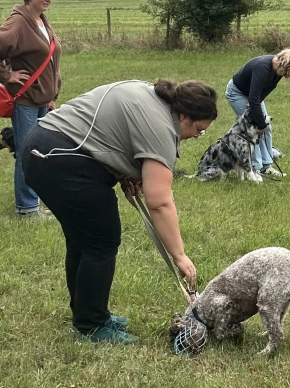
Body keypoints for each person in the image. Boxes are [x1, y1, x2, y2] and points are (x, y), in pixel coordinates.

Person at [22, 78, 218, 345]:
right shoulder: (161, 128)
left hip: (40, 146)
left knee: (83, 240)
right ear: (184, 115)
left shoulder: (149, 93)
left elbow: (112, 133)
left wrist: (124, 169)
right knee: (101, 241)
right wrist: (180, 256)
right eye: (198, 129)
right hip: (60, 158)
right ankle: (92, 326)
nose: (196, 136)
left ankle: (89, 314)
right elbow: (159, 202)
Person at [0, 0, 62, 216]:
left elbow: (49, 63)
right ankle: (26, 208)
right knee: (28, 152)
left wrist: (51, 95)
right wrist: (7, 76)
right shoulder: (18, 23)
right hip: (25, 100)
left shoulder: (40, 21)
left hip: (42, 100)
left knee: (40, 151)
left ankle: (33, 202)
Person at [225, 49, 290, 177]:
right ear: (283, 64)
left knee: (267, 128)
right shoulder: (262, 68)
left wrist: (262, 123)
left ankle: (266, 165)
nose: (286, 76)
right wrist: (259, 124)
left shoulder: (278, 70)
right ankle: (255, 167)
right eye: (287, 73)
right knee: (252, 130)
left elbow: (266, 89)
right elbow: (253, 99)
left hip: (254, 96)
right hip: (237, 92)